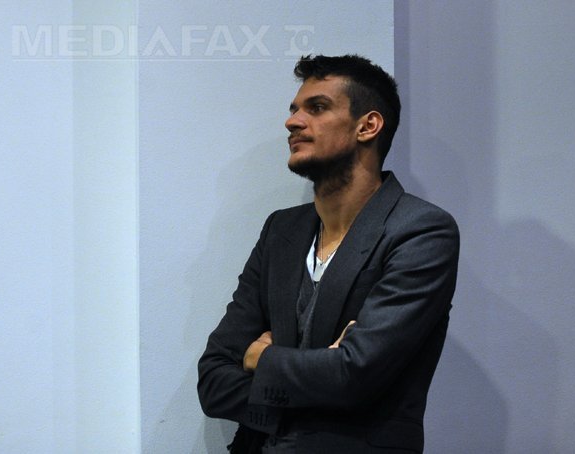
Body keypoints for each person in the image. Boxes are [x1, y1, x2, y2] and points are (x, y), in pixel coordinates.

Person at [197, 54, 459, 453]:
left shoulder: (421, 230)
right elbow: (213, 380)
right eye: (294, 110)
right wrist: (320, 383)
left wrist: (260, 359)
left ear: (368, 126)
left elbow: (355, 375)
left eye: (317, 108)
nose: (293, 122)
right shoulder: (280, 230)